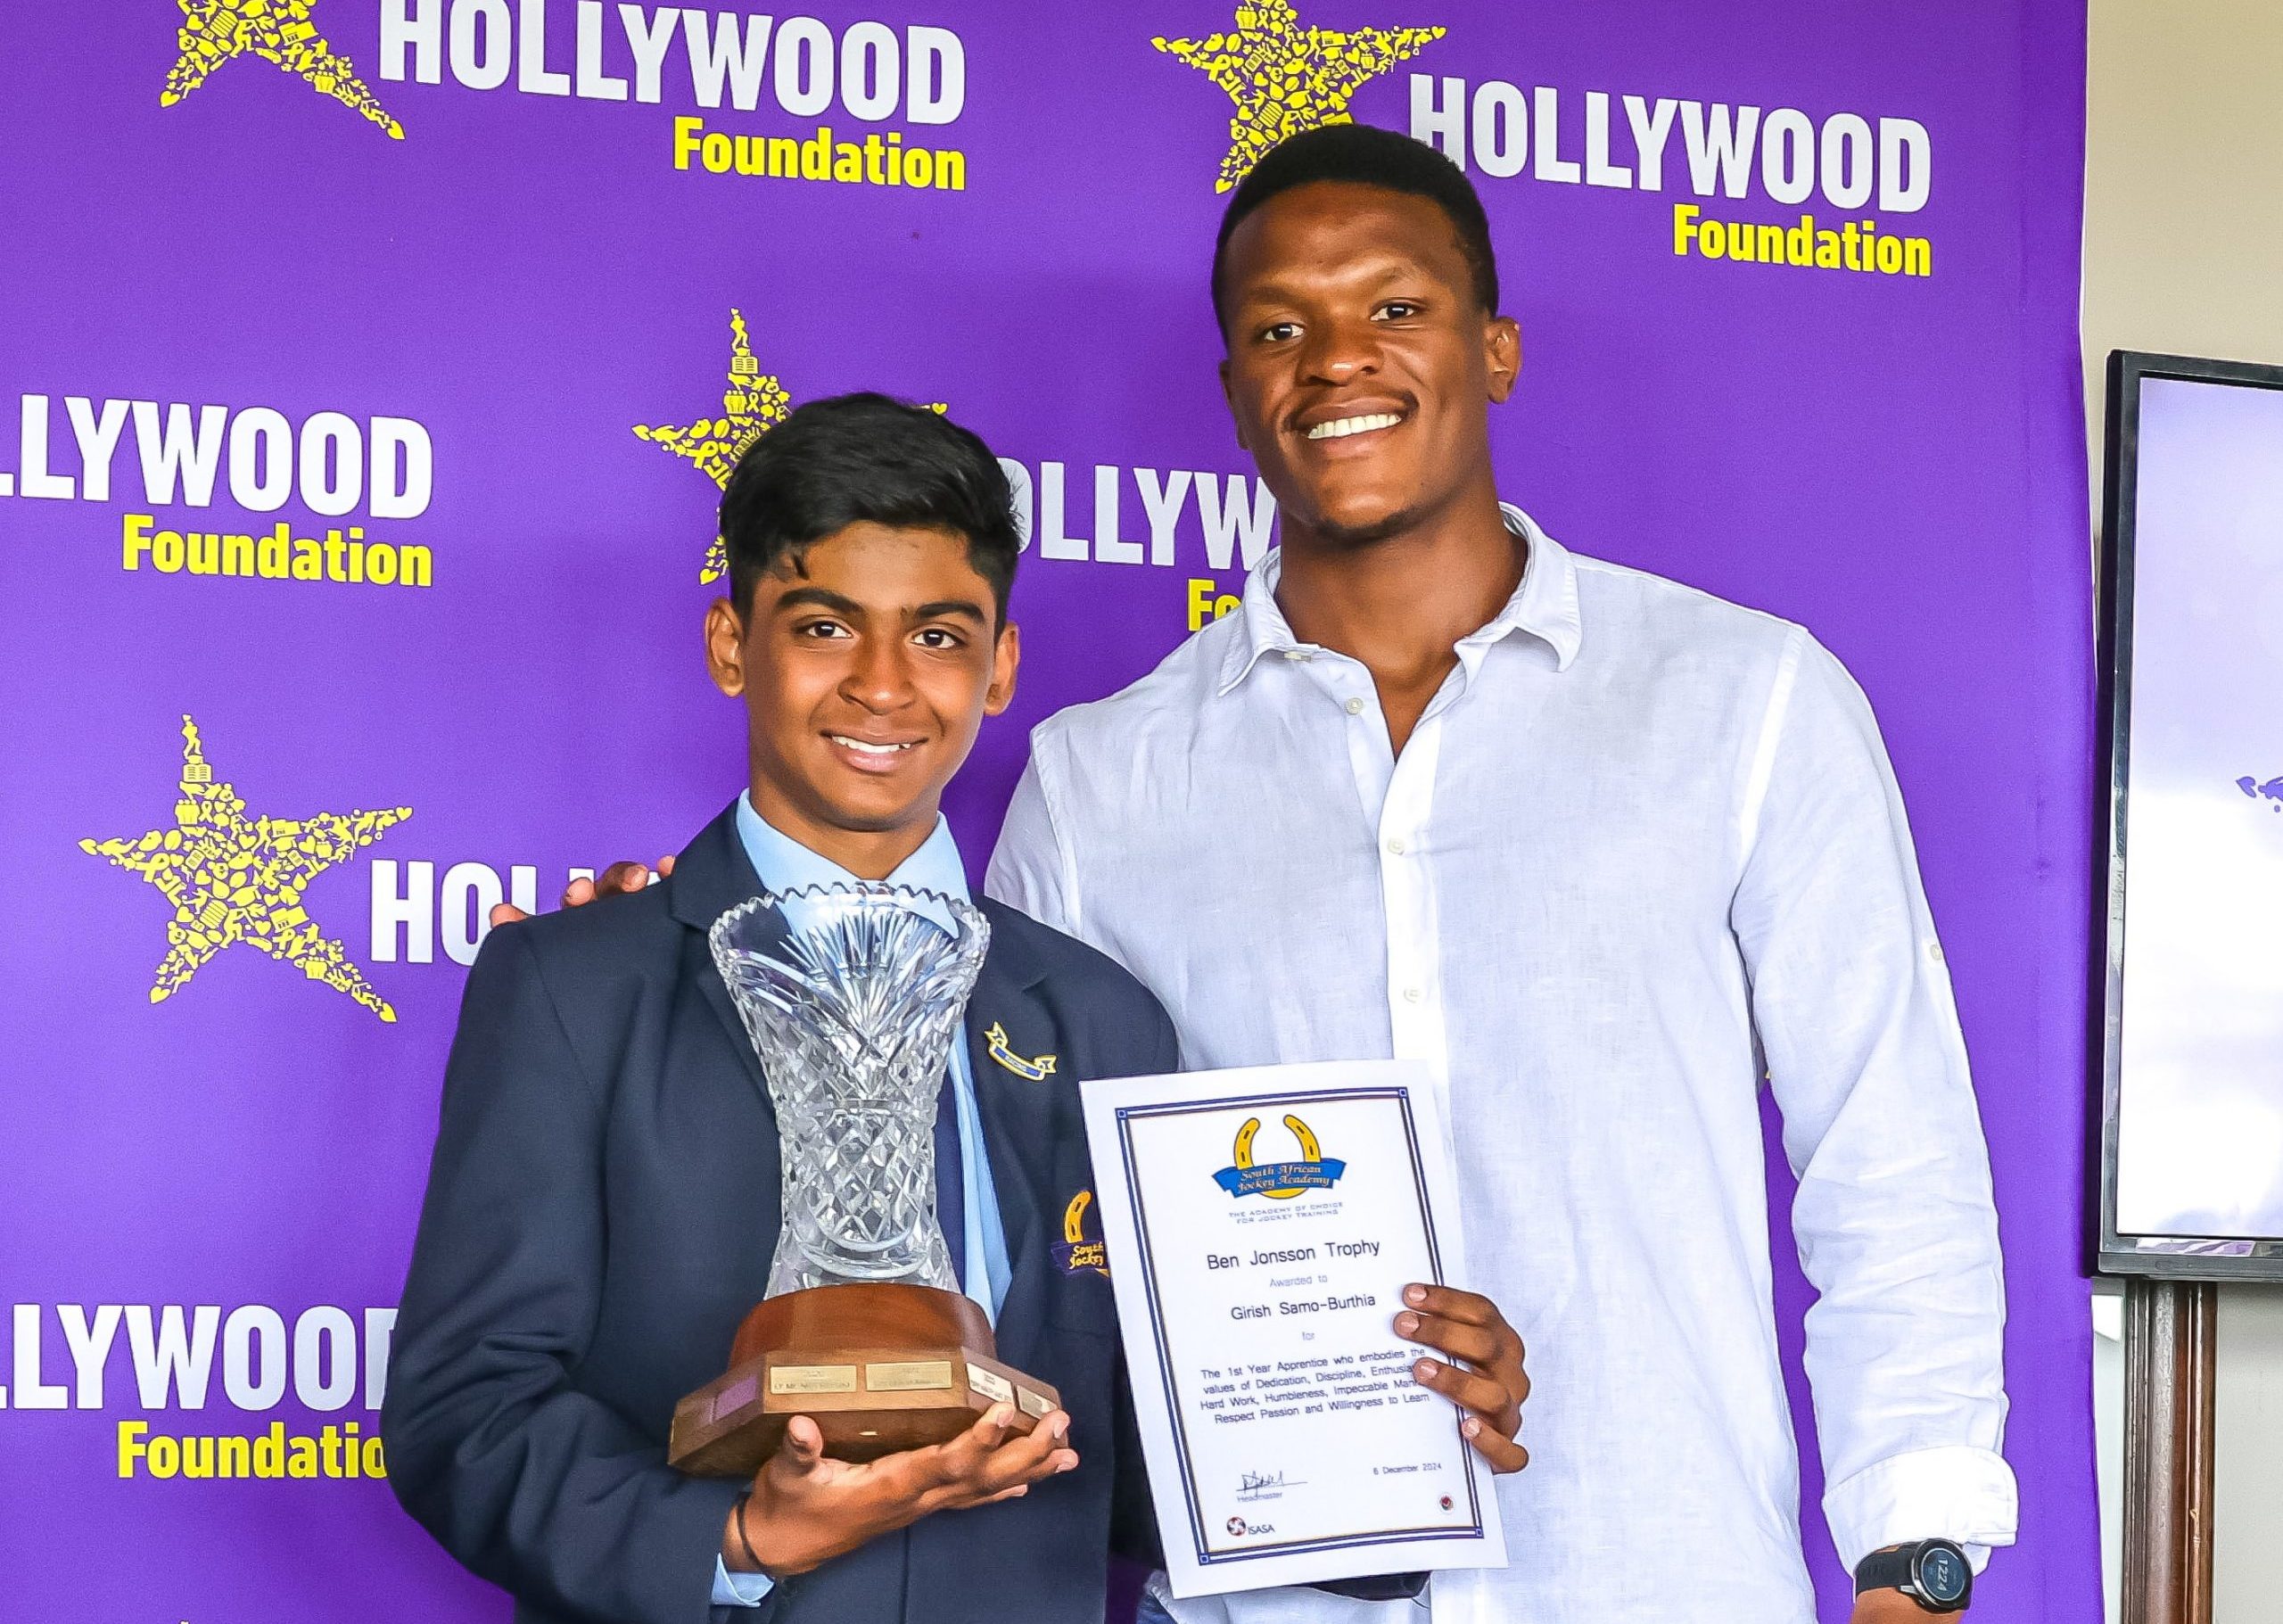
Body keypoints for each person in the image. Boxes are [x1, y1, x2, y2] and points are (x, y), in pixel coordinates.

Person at [538, 124, 2012, 1620]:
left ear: (1494, 348)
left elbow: (1892, 1158)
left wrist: (1917, 1559)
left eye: (1395, 308)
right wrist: (693, 970)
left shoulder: (1746, 702)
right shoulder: (1100, 778)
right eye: (1280, 329)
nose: (1336, 361)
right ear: (1236, 389)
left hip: (1652, 1566)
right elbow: (992, 1192)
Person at [383, 394, 1168, 1624]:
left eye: (940, 636)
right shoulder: (572, 987)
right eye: (823, 625)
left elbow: (1144, 1460)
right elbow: (465, 1413)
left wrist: (1385, 1435)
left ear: (1002, 667)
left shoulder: (1100, 1017)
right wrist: (738, 1534)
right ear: (731, 645)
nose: (882, 685)